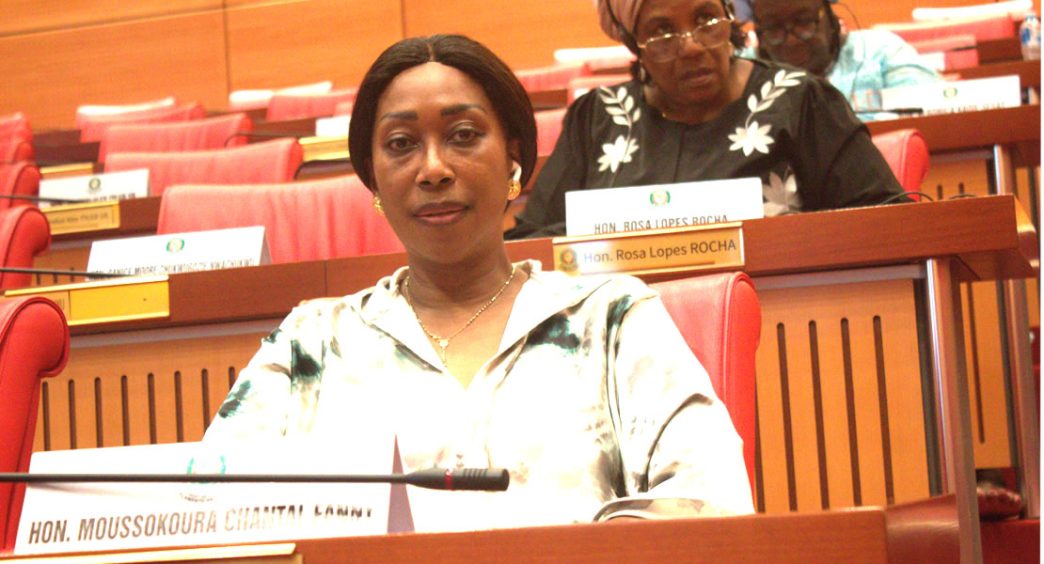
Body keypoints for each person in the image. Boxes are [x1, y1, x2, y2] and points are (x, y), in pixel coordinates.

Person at [202, 34, 754, 531]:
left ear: (513, 156)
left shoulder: (610, 317)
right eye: (401, 144)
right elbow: (206, 512)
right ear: (372, 177)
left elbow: (710, 501)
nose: (433, 169)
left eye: (463, 136)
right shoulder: (312, 341)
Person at [507, 0, 907, 239]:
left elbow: (886, 220)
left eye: (706, 19)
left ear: (730, 19)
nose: (692, 46)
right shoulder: (597, 118)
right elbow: (533, 243)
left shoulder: (800, 101)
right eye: (662, 31)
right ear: (634, 45)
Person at [750, 0, 943, 116]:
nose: (792, 41)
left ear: (830, 19)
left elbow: (931, 110)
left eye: (804, 21)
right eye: (773, 27)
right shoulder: (747, 71)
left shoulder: (881, 51)